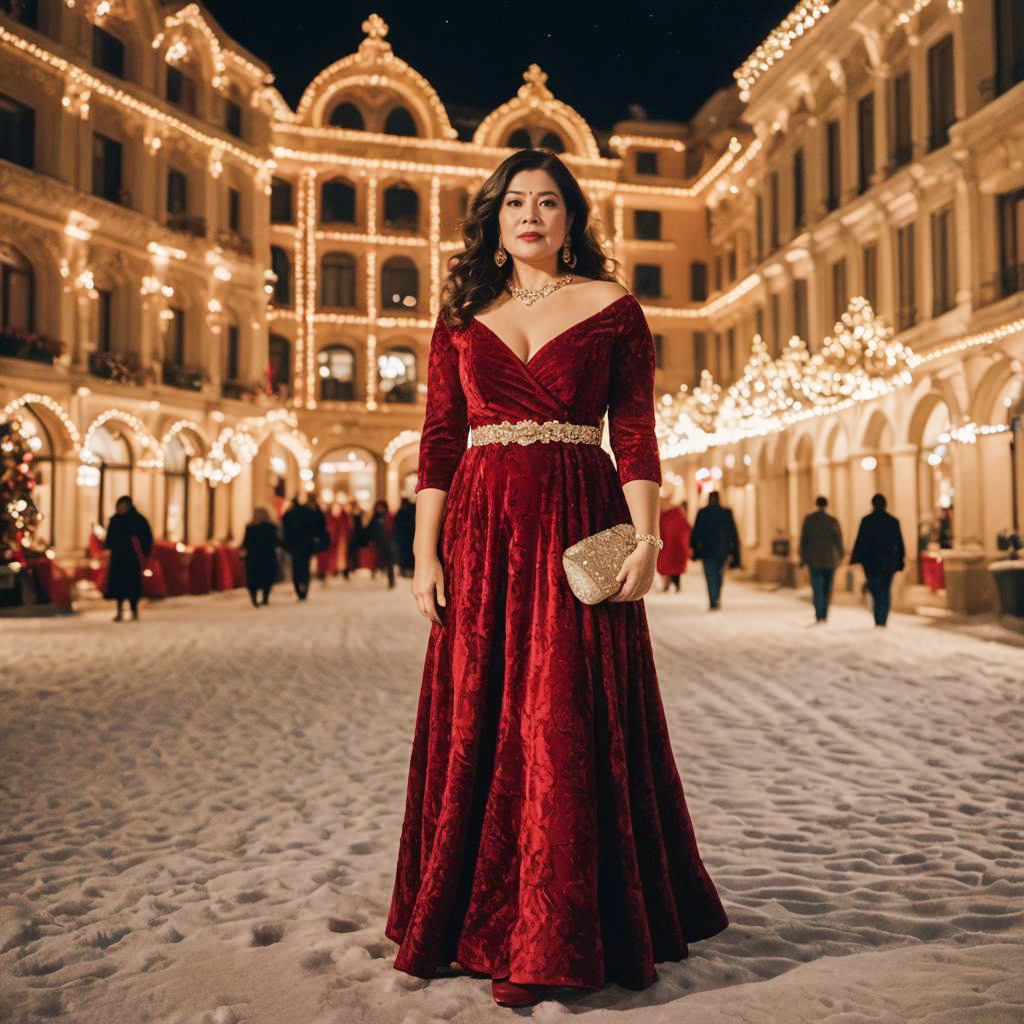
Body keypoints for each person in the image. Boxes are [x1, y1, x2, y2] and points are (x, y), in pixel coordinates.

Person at [387, 149, 727, 1008]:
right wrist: (424, 553)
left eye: (547, 202)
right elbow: (438, 439)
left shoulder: (614, 307)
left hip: (581, 519)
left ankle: (568, 923)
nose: (530, 215)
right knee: (483, 716)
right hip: (481, 529)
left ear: (573, 218)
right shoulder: (462, 317)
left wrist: (646, 540)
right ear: (495, 223)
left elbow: (639, 433)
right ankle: (478, 915)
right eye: (513, 204)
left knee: (566, 718)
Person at [850, 493, 906, 627]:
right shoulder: (892, 521)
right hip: (888, 563)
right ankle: (883, 617)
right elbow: (899, 543)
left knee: (876, 590)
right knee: (885, 590)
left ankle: (879, 616)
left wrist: (855, 558)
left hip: (871, 564)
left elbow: (860, 542)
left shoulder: (867, 521)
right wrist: (900, 560)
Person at [102, 495, 153, 622]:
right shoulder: (115, 520)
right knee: (118, 585)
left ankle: (134, 610)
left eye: (124, 506)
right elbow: (109, 538)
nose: (121, 508)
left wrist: (144, 552)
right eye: (120, 506)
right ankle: (119, 611)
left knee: (132, 585)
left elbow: (146, 537)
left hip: (131, 558)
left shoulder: (136, 519)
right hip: (118, 557)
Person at [689, 491, 740, 610]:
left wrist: (694, 548)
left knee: (710, 575)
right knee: (719, 575)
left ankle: (713, 599)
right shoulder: (726, 513)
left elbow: (696, 533)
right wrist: (734, 550)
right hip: (722, 550)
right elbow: (733, 533)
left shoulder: (703, 513)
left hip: (707, 550)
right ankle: (716, 597)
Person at [799, 495, 845, 622]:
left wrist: (802, 558)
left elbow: (804, 540)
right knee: (827, 588)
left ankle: (819, 614)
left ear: (816, 504)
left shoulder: (809, 520)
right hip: (830, 560)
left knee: (817, 588)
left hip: (814, 560)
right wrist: (841, 556)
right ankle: (824, 613)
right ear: (826, 505)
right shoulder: (832, 520)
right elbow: (839, 541)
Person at [281, 494, 328, 600]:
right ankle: (304, 588)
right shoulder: (310, 513)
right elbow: (320, 526)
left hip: (295, 544)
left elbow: (285, 526)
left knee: (296, 566)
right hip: (306, 544)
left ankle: (299, 588)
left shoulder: (291, 513)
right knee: (305, 566)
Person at [240, 507, 279, 607]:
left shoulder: (250, 527)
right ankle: (265, 598)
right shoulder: (271, 527)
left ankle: (254, 599)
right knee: (266, 577)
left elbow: (245, 542)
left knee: (253, 578)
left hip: (254, 556)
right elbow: (276, 541)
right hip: (267, 556)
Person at [657, 497, 691, 591]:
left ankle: (669, 584)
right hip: (675, 546)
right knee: (672, 565)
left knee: (668, 565)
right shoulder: (677, 514)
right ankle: (674, 584)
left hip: (669, 546)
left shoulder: (666, 516)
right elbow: (686, 529)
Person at [365, 499, 396, 588]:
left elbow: (392, 529)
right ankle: (375, 572)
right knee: (376, 559)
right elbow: (370, 530)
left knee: (389, 562)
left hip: (387, 542)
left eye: (381, 507)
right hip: (377, 543)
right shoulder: (375, 518)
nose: (380, 509)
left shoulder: (388, 516)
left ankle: (391, 580)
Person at [392, 496, 416, 578]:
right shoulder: (411, 510)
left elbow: (396, 523)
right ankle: (407, 570)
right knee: (408, 554)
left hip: (405, 537)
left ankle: (405, 569)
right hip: (409, 537)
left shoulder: (402, 511)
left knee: (405, 554)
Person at [342, 499, 366, 580]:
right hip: (348, 538)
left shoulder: (356, 515)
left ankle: (352, 568)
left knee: (352, 554)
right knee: (348, 555)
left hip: (353, 538)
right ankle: (348, 570)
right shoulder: (348, 515)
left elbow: (359, 527)